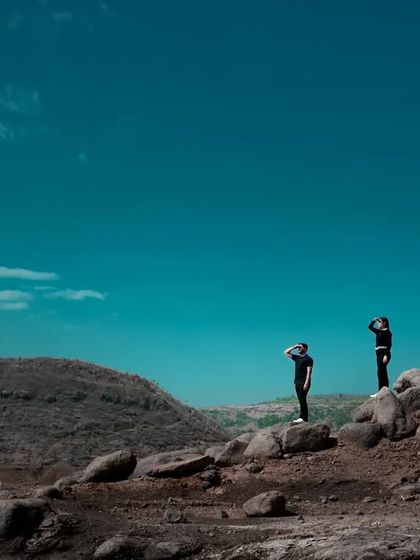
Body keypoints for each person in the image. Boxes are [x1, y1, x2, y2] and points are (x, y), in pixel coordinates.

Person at [283, 343, 313, 424]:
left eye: (300, 347)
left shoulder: (308, 359)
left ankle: (303, 418)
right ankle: (302, 417)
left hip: (304, 382)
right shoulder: (297, 358)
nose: (299, 349)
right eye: (298, 348)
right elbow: (285, 352)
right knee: (300, 399)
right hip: (297, 381)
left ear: (305, 349)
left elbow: (309, 372)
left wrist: (306, 383)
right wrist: (294, 346)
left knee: (302, 399)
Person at [368, 317, 392, 397]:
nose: (378, 324)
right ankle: (383, 390)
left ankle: (382, 391)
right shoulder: (379, 332)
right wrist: (374, 320)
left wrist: (385, 355)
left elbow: (389, 344)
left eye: (380, 322)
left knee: (381, 372)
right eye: (378, 322)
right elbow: (370, 327)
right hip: (378, 354)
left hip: (384, 353)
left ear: (384, 323)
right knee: (381, 372)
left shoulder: (388, 332)